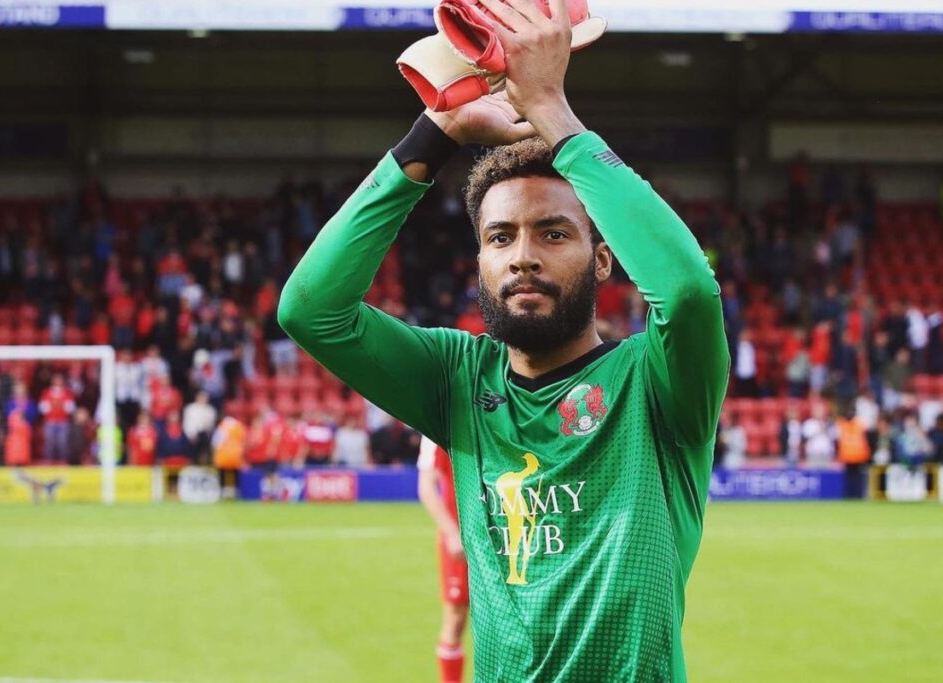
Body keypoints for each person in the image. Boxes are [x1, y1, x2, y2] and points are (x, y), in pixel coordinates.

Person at [278, 4, 729, 679]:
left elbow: (689, 291)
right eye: (500, 237)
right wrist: (438, 130)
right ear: (480, 262)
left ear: (604, 260)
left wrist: (554, 114)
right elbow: (312, 310)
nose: (522, 256)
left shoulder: (658, 380)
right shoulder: (459, 380)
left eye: (553, 232)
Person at [417, 436, 468, 683]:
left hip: (502, 533)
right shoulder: (435, 426)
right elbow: (426, 485)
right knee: (456, 618)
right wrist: (450, 532)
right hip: (459, 537)